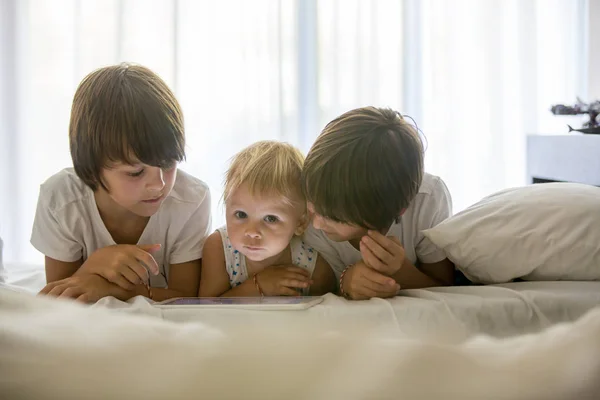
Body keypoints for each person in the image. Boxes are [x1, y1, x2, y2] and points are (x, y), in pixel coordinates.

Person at [32, 63, 211, 303]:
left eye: (169, 165)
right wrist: (94, 265)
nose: (158, 185)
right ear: (93, 168)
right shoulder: (61, 198)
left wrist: (111, 289)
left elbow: (186, 299)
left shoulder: (192, 200)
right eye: (136, 172)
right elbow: (59, 296)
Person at [302, 106, 455, 300]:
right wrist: (346, 282)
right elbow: (319, 294)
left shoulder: (428, 199)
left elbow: (448, 289)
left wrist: (400, 271)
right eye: (311, 202)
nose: (315, 222)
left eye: (333, 217)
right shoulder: (311, 217)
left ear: (398, 210)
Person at [199, 141, 336, 297]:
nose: (252, 232)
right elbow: (206, 310)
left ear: (301, 222)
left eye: (270, 218)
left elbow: (324, 314)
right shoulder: (219, 249)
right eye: (241, 214)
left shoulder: (313, 265)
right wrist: (258, 286)